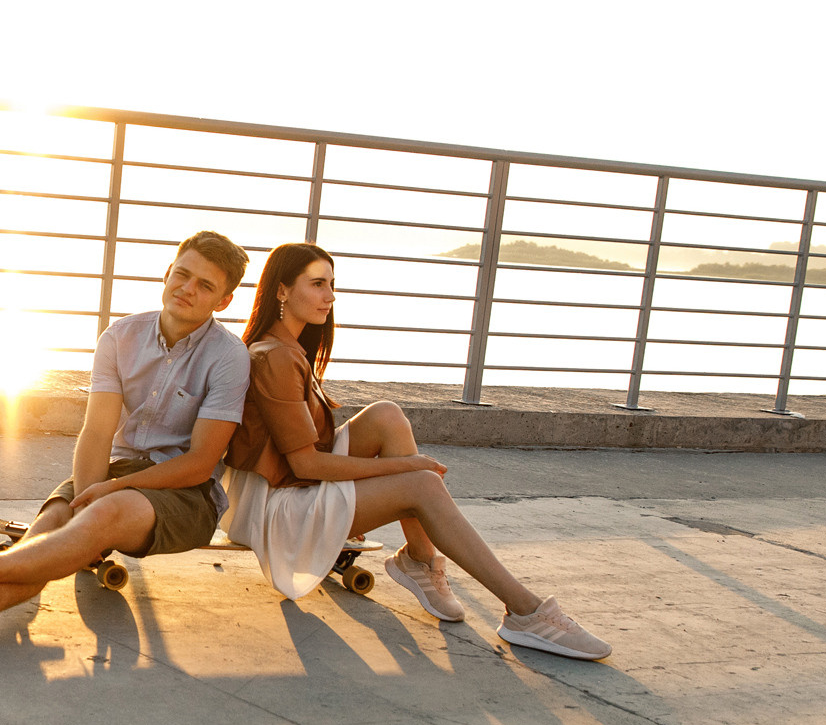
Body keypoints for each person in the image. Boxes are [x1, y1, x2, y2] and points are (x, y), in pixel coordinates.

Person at [223, 241, 612, 660]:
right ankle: (526, 612)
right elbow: (306, 462)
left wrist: (400, 468)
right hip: (278, 510)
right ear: (281, 291)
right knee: (423, 485)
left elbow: (305, 453)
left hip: (289, 485)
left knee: (386, 415)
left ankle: (421, 561)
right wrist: (406, 467)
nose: (330, 297)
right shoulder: (276, 357)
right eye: (317, 284)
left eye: (332, 285)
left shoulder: (287, 348)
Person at [0, 231, 252, 642]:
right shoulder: (120, 338)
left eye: (205, 285)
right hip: (116, 469)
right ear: (167, 273)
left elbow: (199, 464)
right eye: (182, 274)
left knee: (102, 513)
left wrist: (111, 491)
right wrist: (88, 493)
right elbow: (97, 431)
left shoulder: (228, 357)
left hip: (187, 494)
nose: (187, 289)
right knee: (52, 524)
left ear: (222, 301)